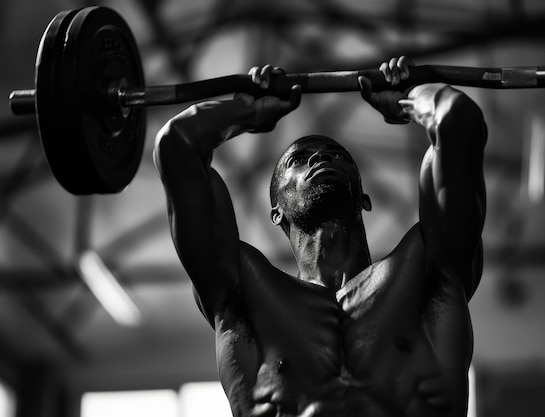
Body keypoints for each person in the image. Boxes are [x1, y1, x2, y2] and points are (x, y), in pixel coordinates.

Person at [154, 56, 487, 417]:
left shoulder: (424, 270)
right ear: (277, 210)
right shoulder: (244, 291)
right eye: (299, 160)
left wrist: (410, 98)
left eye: (336, 155)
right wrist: (245, 111)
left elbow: (457, 120)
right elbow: (177, 143)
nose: (320, 159)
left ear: (364, 199)